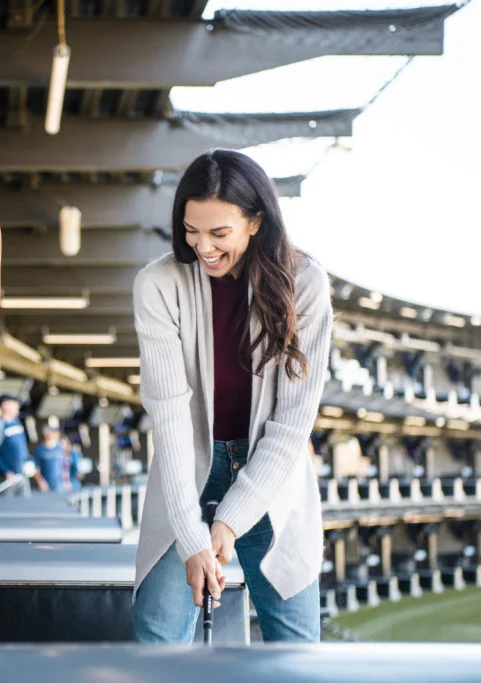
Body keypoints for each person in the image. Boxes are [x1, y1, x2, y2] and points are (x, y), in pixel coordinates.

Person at [132, 150, 332, 643]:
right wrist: (190, 529)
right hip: (186, 472)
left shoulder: (306, 283)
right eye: (191, 230)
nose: (202, 246)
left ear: (256, 222)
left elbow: (291, 423)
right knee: (157, 644)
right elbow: (170, 416)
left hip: (272, 477)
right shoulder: (156, 285)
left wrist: (229, 522)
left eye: (219, 234)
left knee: (295, 651)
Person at [0, 394, 31, 497]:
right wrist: (6, 471)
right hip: (6, 479)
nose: (17, 406)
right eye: (14, 403)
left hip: (21, 475)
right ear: (4, 405)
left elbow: (22, 449)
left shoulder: (17, 422)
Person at [33, 425, 71, 492]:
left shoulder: (60, 449)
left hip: (60, 485)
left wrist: (67, 481)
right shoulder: (40, 450)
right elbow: (36, 468)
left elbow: (65, 466)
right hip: (45, 485)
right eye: (52, 432)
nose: (55, 434)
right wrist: (40, 481)